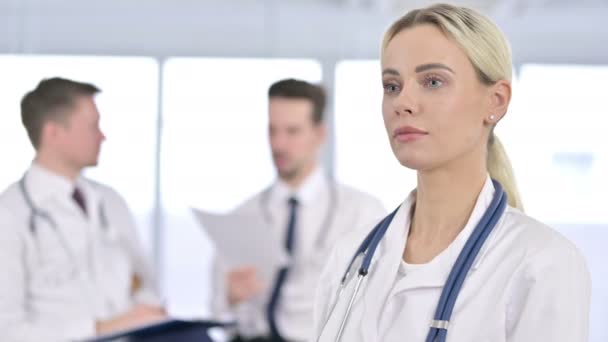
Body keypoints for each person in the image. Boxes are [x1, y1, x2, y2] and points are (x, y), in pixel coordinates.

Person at [312, 4, 591, 342]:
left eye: (432, 81)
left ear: (496, 101)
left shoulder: (543, 263)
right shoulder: (349, 256)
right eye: (392, 85)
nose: (404, 102)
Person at [211, 79, 386, 342]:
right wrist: (230, 298)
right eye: (272, 130)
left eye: (292, 132)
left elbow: (378, 304)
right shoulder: (242, 216)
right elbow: (217, 313)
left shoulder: (361, 213)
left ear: (319, 135)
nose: (279, 145)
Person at [0, 77, 166, 341]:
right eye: (93, 126)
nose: (103, 136)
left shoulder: (111, 202)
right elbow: (7, 331)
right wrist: (101, 329)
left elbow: (144, 283)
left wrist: (146, 312)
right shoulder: (9, 214)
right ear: (53, 132)